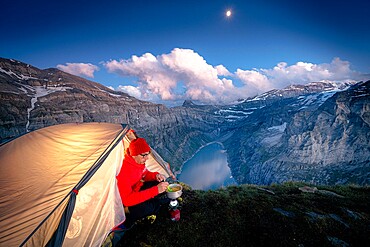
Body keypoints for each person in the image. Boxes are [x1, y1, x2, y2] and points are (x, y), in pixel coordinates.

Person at [116, 137, 170, 227]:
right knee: (146, 208)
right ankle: (132, 213)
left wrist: (155, 176)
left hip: (137, 189)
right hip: (126, 204)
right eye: (144, 155)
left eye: (148, 154)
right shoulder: (123, 172)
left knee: (158, 183)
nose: (147, 158)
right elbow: (127, 200)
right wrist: (155, 190)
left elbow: (144, 174)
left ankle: (155, 203)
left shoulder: (138, 162)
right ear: (134, 154)